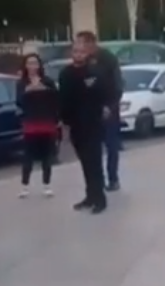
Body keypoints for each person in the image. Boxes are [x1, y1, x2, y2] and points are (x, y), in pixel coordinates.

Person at [59, 41, 109, 214]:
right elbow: (64, 99)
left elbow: (104, 94)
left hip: (93, 123)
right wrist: (64, 122)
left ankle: (100, 198)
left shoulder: (95, 73)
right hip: (75, 125)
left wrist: (106, 107)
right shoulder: (66, 74)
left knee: (94, 162)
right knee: (85, 162)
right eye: (75, 51)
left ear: (87, 54)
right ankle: (90, 196)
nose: (78, 54)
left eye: (82, 51)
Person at [75, 31, 124, 191]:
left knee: (111, 145)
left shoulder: (108, 59)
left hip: (108, 108)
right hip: (91, 110)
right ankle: (97, 180)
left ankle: (113, 178)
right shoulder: (83, 61)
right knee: (92, 147)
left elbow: (118, 85)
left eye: (81, 43)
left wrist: (110, 106)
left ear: (91, 43)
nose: (79, 47)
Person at [16, 53, 60, 198]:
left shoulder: (47, 81)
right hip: (31, 123)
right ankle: (24, 186)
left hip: (47, 122)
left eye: (35, 63)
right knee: (28, 155)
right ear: (25, 66)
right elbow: (19, 102)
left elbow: (55, 98)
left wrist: (43, 89)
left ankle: (47, 185)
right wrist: (29, 90)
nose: (32, 66)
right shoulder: (21, 83)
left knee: (47, 155)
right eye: (29, 63)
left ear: (39, 65)